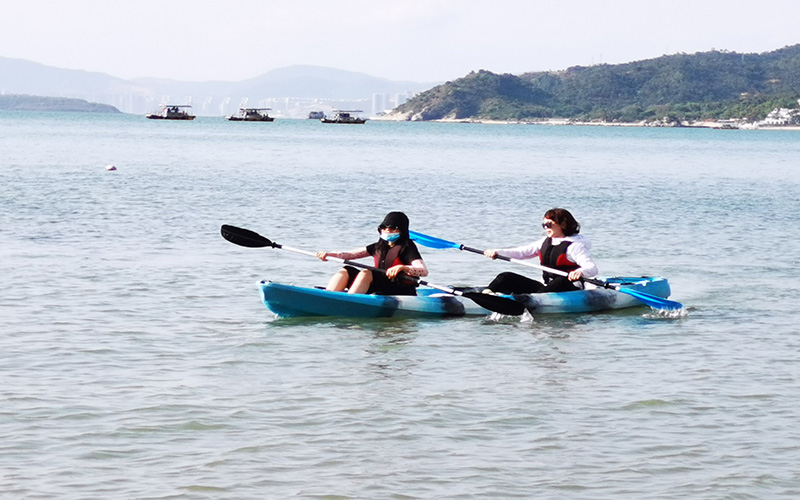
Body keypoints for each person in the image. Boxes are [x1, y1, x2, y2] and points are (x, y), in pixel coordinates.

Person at [483, 208, 598, 294]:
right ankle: (486, 294)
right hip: (546, 288)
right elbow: (521, 252)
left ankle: (533, 300)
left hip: (571, 288)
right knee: (505, 276)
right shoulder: (544, 242)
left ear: (563, 224)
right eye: (544, 225)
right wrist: (497, 252)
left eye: (549, 224)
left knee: (560, 281)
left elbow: (592, 268)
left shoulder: (575, 246)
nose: (546, 228)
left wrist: (580, 272)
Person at [316, 211, 428, 295]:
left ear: (402, 230)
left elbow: (423, 271)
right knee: (346, 270)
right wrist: (329, 255)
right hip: (380, 285)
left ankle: (352, 300)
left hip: (400, 288)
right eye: (384, 227)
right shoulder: (378, 246)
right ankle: (329, 295)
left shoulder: (407, 247)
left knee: (366, 272)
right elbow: (350, 255)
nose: (387, 230)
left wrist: (402, 268)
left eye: (393, 228)